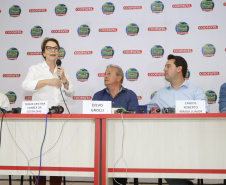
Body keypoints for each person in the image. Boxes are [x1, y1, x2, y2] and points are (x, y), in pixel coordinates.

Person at [147, 54, 209, 185]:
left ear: (179, 69)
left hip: (191, 140)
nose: (164, 69)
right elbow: (147, 112)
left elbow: (204, 112)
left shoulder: (195, 91)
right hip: (166, 141)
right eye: (164, 66)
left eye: (168, 66)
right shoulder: (160, 94)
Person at [22, 37, 75, 185]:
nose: (53, 51)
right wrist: (48, 81)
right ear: (43, 52)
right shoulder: (35, 69)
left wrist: (64, 78)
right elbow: (26, 85)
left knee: (56, 157)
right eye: (49, 48)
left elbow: (71, 92)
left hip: (59, 120)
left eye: (56, 48)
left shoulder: (62, 70)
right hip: (40, 119)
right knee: (39, 156)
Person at [93, 64, 138, 185]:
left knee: (119, 173)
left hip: (124, 141)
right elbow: (92, 119)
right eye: (105, 73)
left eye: (109, 73)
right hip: (101, 141)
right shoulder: (97, 96)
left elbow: (134, 120)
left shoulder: (130, 95)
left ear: (119, 78)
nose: (105, 76)